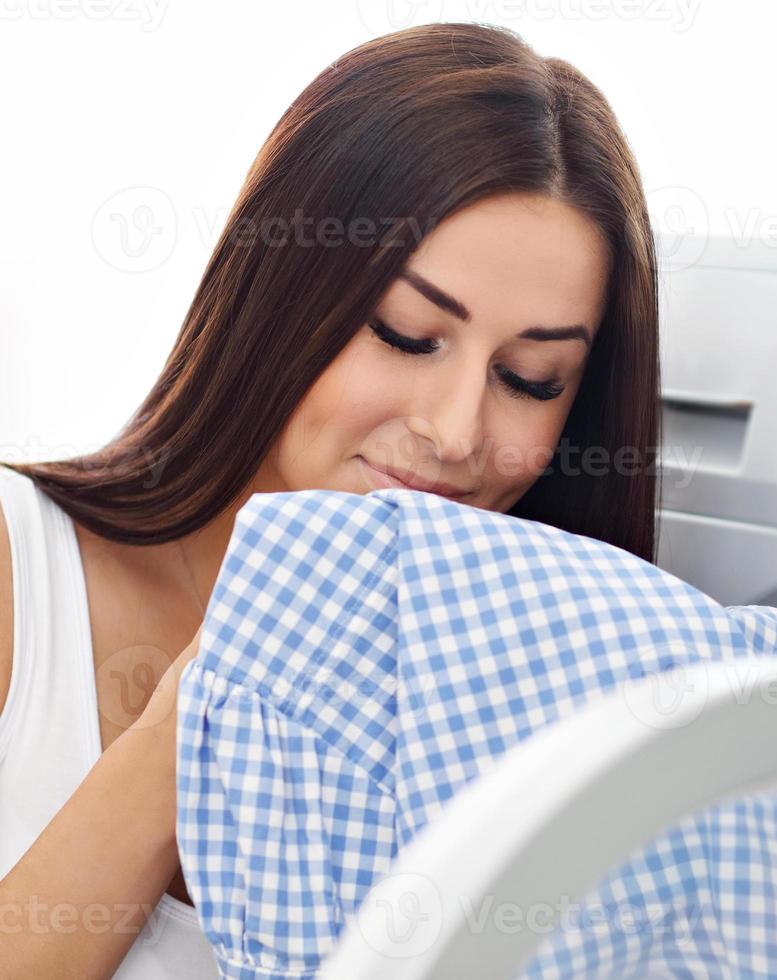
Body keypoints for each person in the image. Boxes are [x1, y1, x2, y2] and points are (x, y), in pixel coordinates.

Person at [0, 21, 660, 978]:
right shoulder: (23, 574)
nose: (456, 432)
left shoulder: (534, 707)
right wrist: (194, 718)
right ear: (279, 298)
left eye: (530, 378)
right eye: (406, 333)